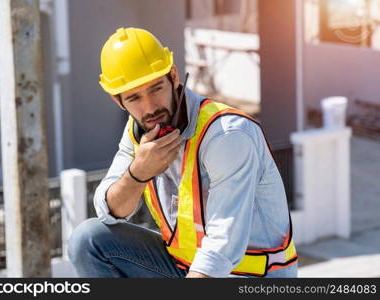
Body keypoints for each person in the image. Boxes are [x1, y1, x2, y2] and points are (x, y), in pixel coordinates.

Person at [68, 27, 298, 278]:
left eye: (156, 88)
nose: (150, 107)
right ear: (117, 100)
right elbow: (110, 211)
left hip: (248, 275)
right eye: (134, 97)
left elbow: (222, 247)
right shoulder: (138, 130)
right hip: (183, 268)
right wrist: (138, 174)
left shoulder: (226, 134)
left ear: (173, 76)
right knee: (89, 240)